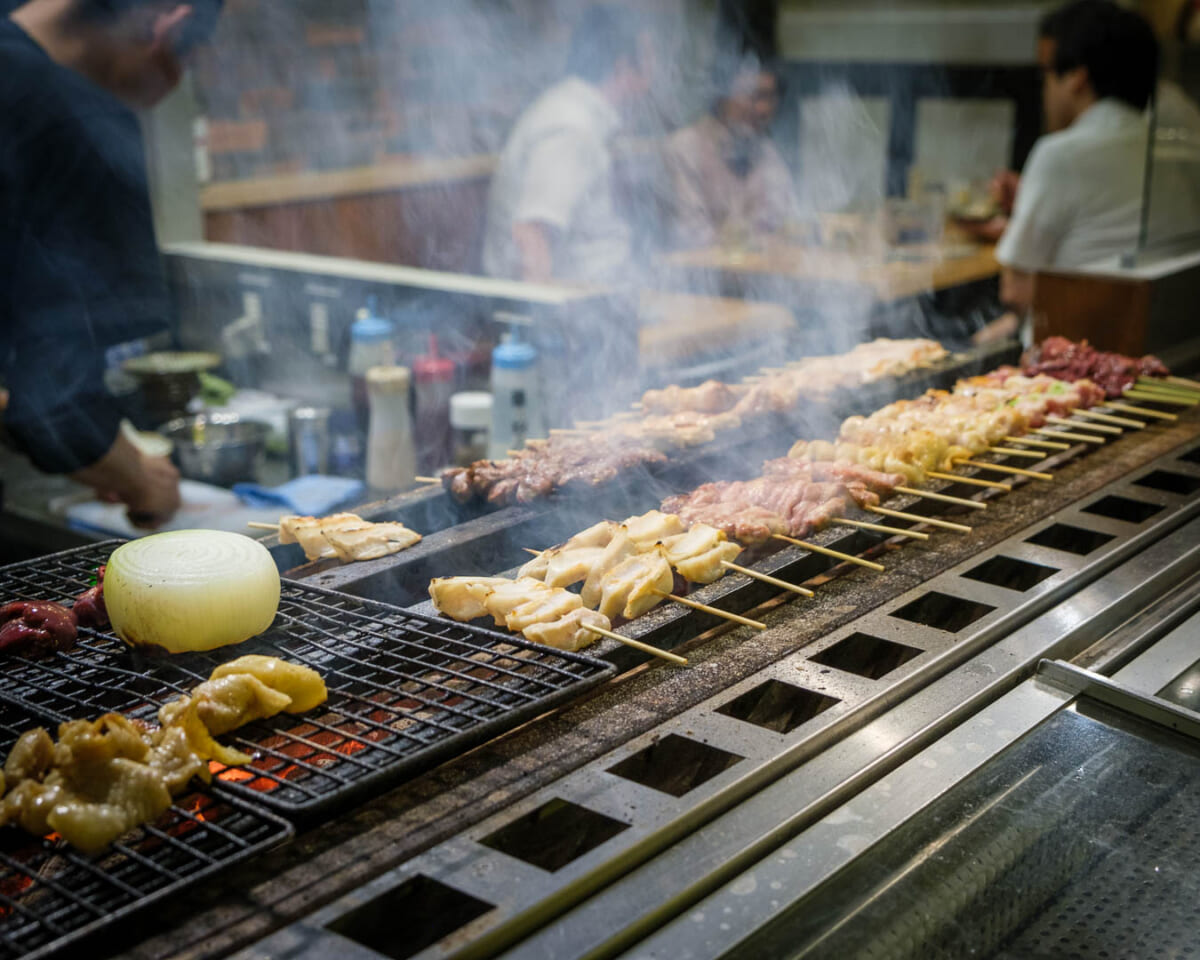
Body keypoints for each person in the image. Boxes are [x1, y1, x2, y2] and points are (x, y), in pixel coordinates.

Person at [0, 0, 220, 526]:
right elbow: (52, 400)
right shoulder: (58, 115)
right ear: (167, 22)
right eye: (188, 58)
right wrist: (142, 480)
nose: (176, 81)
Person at [986, 1, 1160, 332]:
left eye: (1046, 75)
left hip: (1074, 350)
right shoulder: (1162, 143)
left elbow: (1016, 291)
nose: (1045, 91)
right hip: (1148, 335)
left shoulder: (1061, 154)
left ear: (1077, 78)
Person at [481, 5, 651, 286]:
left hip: (604, 300)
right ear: (622, 66)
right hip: (581, 313)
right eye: (648, 65)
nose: (650, 83)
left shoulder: (578, 115)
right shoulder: (572, 126)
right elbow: (531, 235)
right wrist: (548, 324)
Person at [665, 53, 798, 250]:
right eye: (751, 96)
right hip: (700, 275)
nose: (762, 108)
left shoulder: (767, 151)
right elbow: (691, 234)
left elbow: (786, 223)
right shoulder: (685, 147)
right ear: (721, 96)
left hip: (758, 274)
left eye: (769, 97)